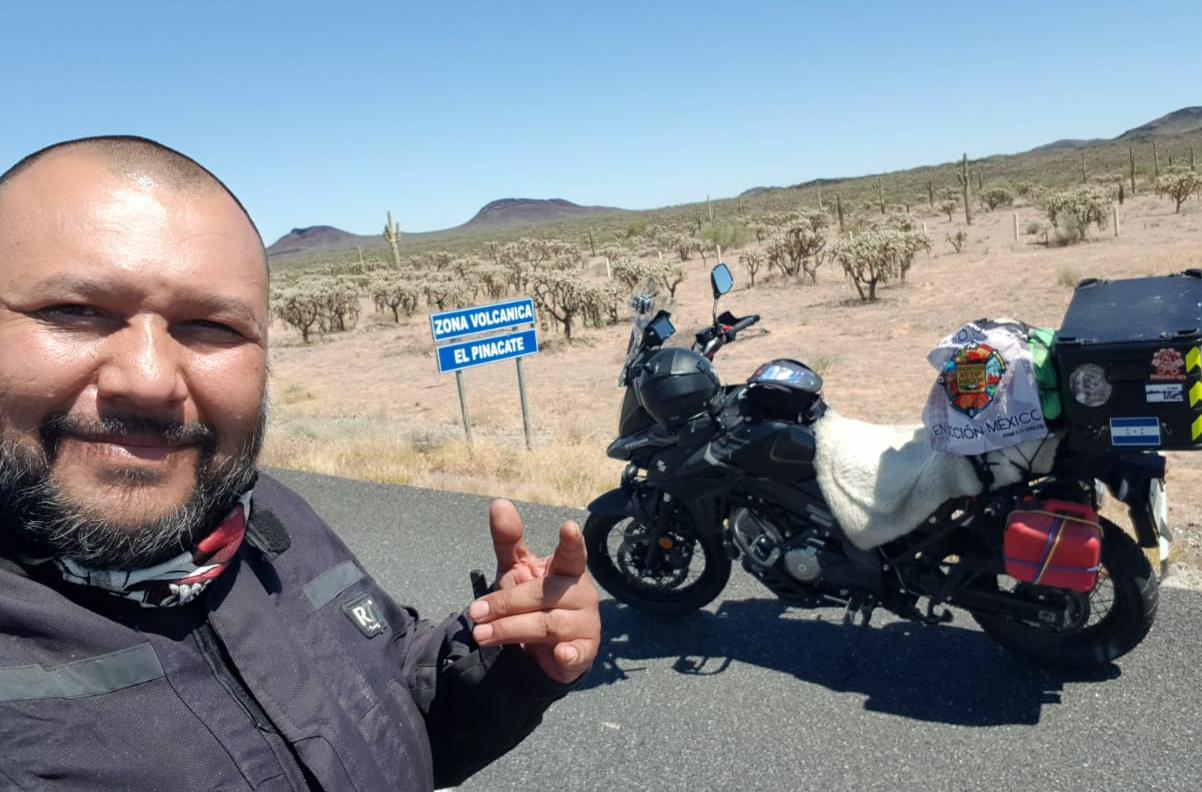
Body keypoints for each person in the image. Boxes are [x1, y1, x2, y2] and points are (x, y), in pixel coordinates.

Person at [0, 136, 601, 791]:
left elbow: (387, 685)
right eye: (75, 312)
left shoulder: (259, 516)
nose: (148, 380)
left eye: (212, 326)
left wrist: (504, 653)